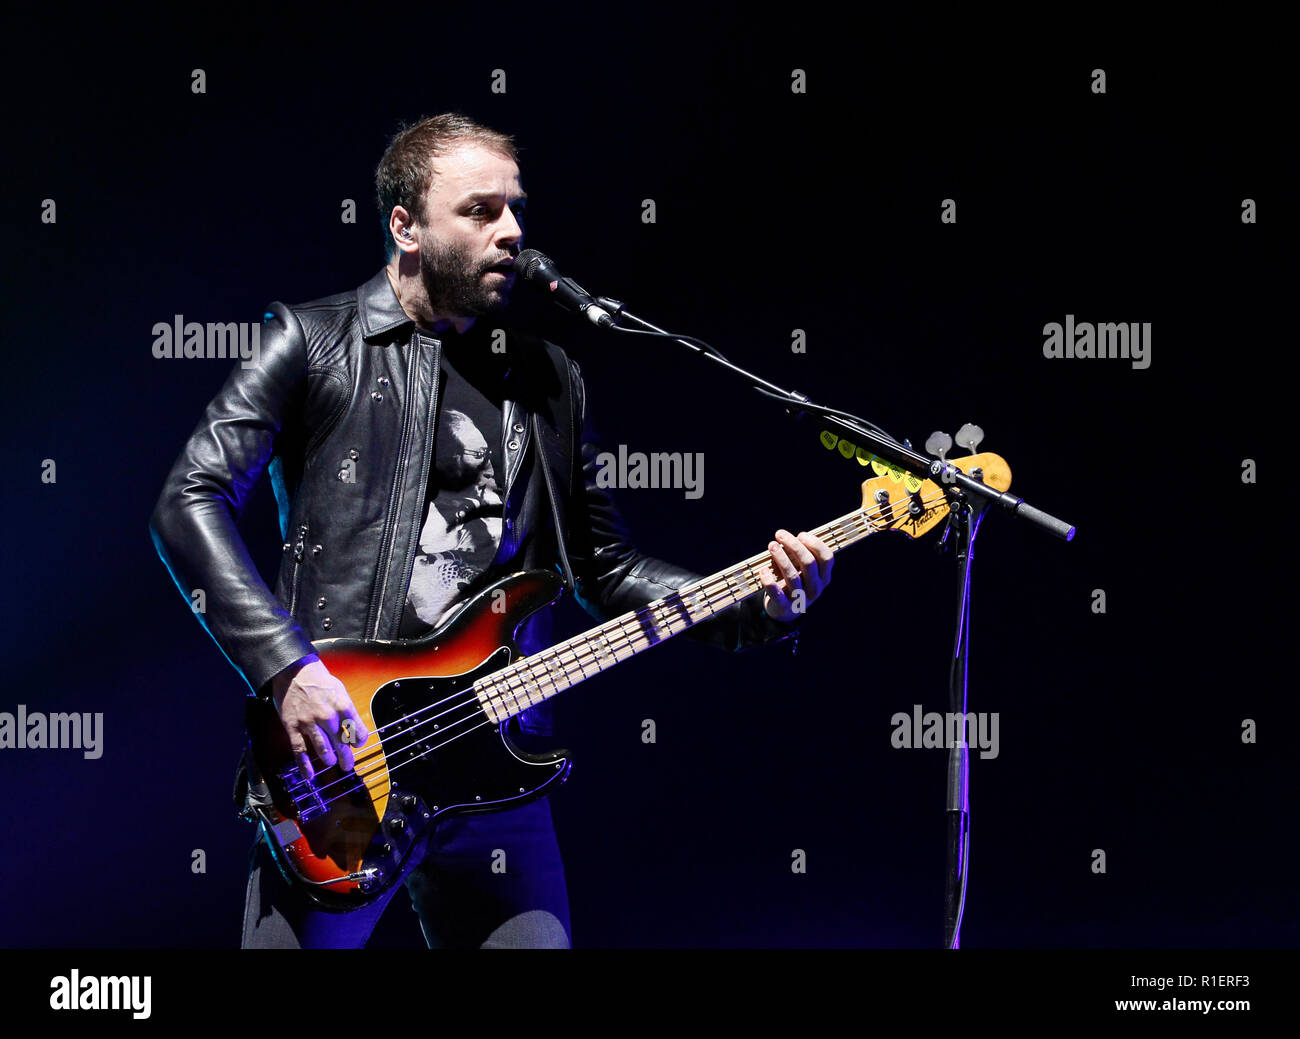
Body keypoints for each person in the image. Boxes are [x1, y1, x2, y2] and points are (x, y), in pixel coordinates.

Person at [149, 113, 834, 948]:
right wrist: (284, 668)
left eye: (514, 209)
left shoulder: (547, 376)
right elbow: (189, 498)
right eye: (480, 210)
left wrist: (756, 601)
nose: (511, 231)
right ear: (405, 225)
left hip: (500, 765)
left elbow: (604, 565)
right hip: (340, 766)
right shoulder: (316, 339)